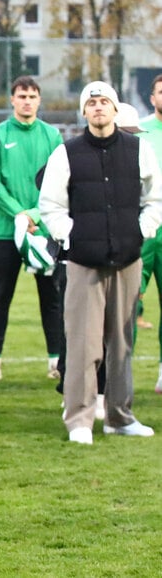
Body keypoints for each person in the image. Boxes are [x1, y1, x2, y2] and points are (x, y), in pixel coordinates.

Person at [39, 81, 162, 444]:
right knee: (83, 342)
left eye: (104, 101)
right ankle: (79, 419)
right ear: (84, 111)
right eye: (91, 102)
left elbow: (155, 198)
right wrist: (71, 236)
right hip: (83, 262)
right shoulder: (67, 153)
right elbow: (51, 205)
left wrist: (141, 231)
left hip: (128, 258)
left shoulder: (139, 150)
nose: (98, 107)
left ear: (115, 107)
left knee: (122, 341)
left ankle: (119, 417)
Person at [0, 76, 65, 384]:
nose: (27, 100)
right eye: (21, 95)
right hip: (6, 232)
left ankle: (55, 361)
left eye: (32, 96)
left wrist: (35, 216)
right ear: (12, 100)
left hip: (45, 232)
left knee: (51, 298)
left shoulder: (52, 136)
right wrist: (19, 215)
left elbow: (60, 184)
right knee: (1, 296)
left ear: (39, 100)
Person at [138, 75, 162, 393]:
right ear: (152, 96)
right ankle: (118, 377)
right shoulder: (139, 131)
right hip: (142, 229)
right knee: (128, 302)